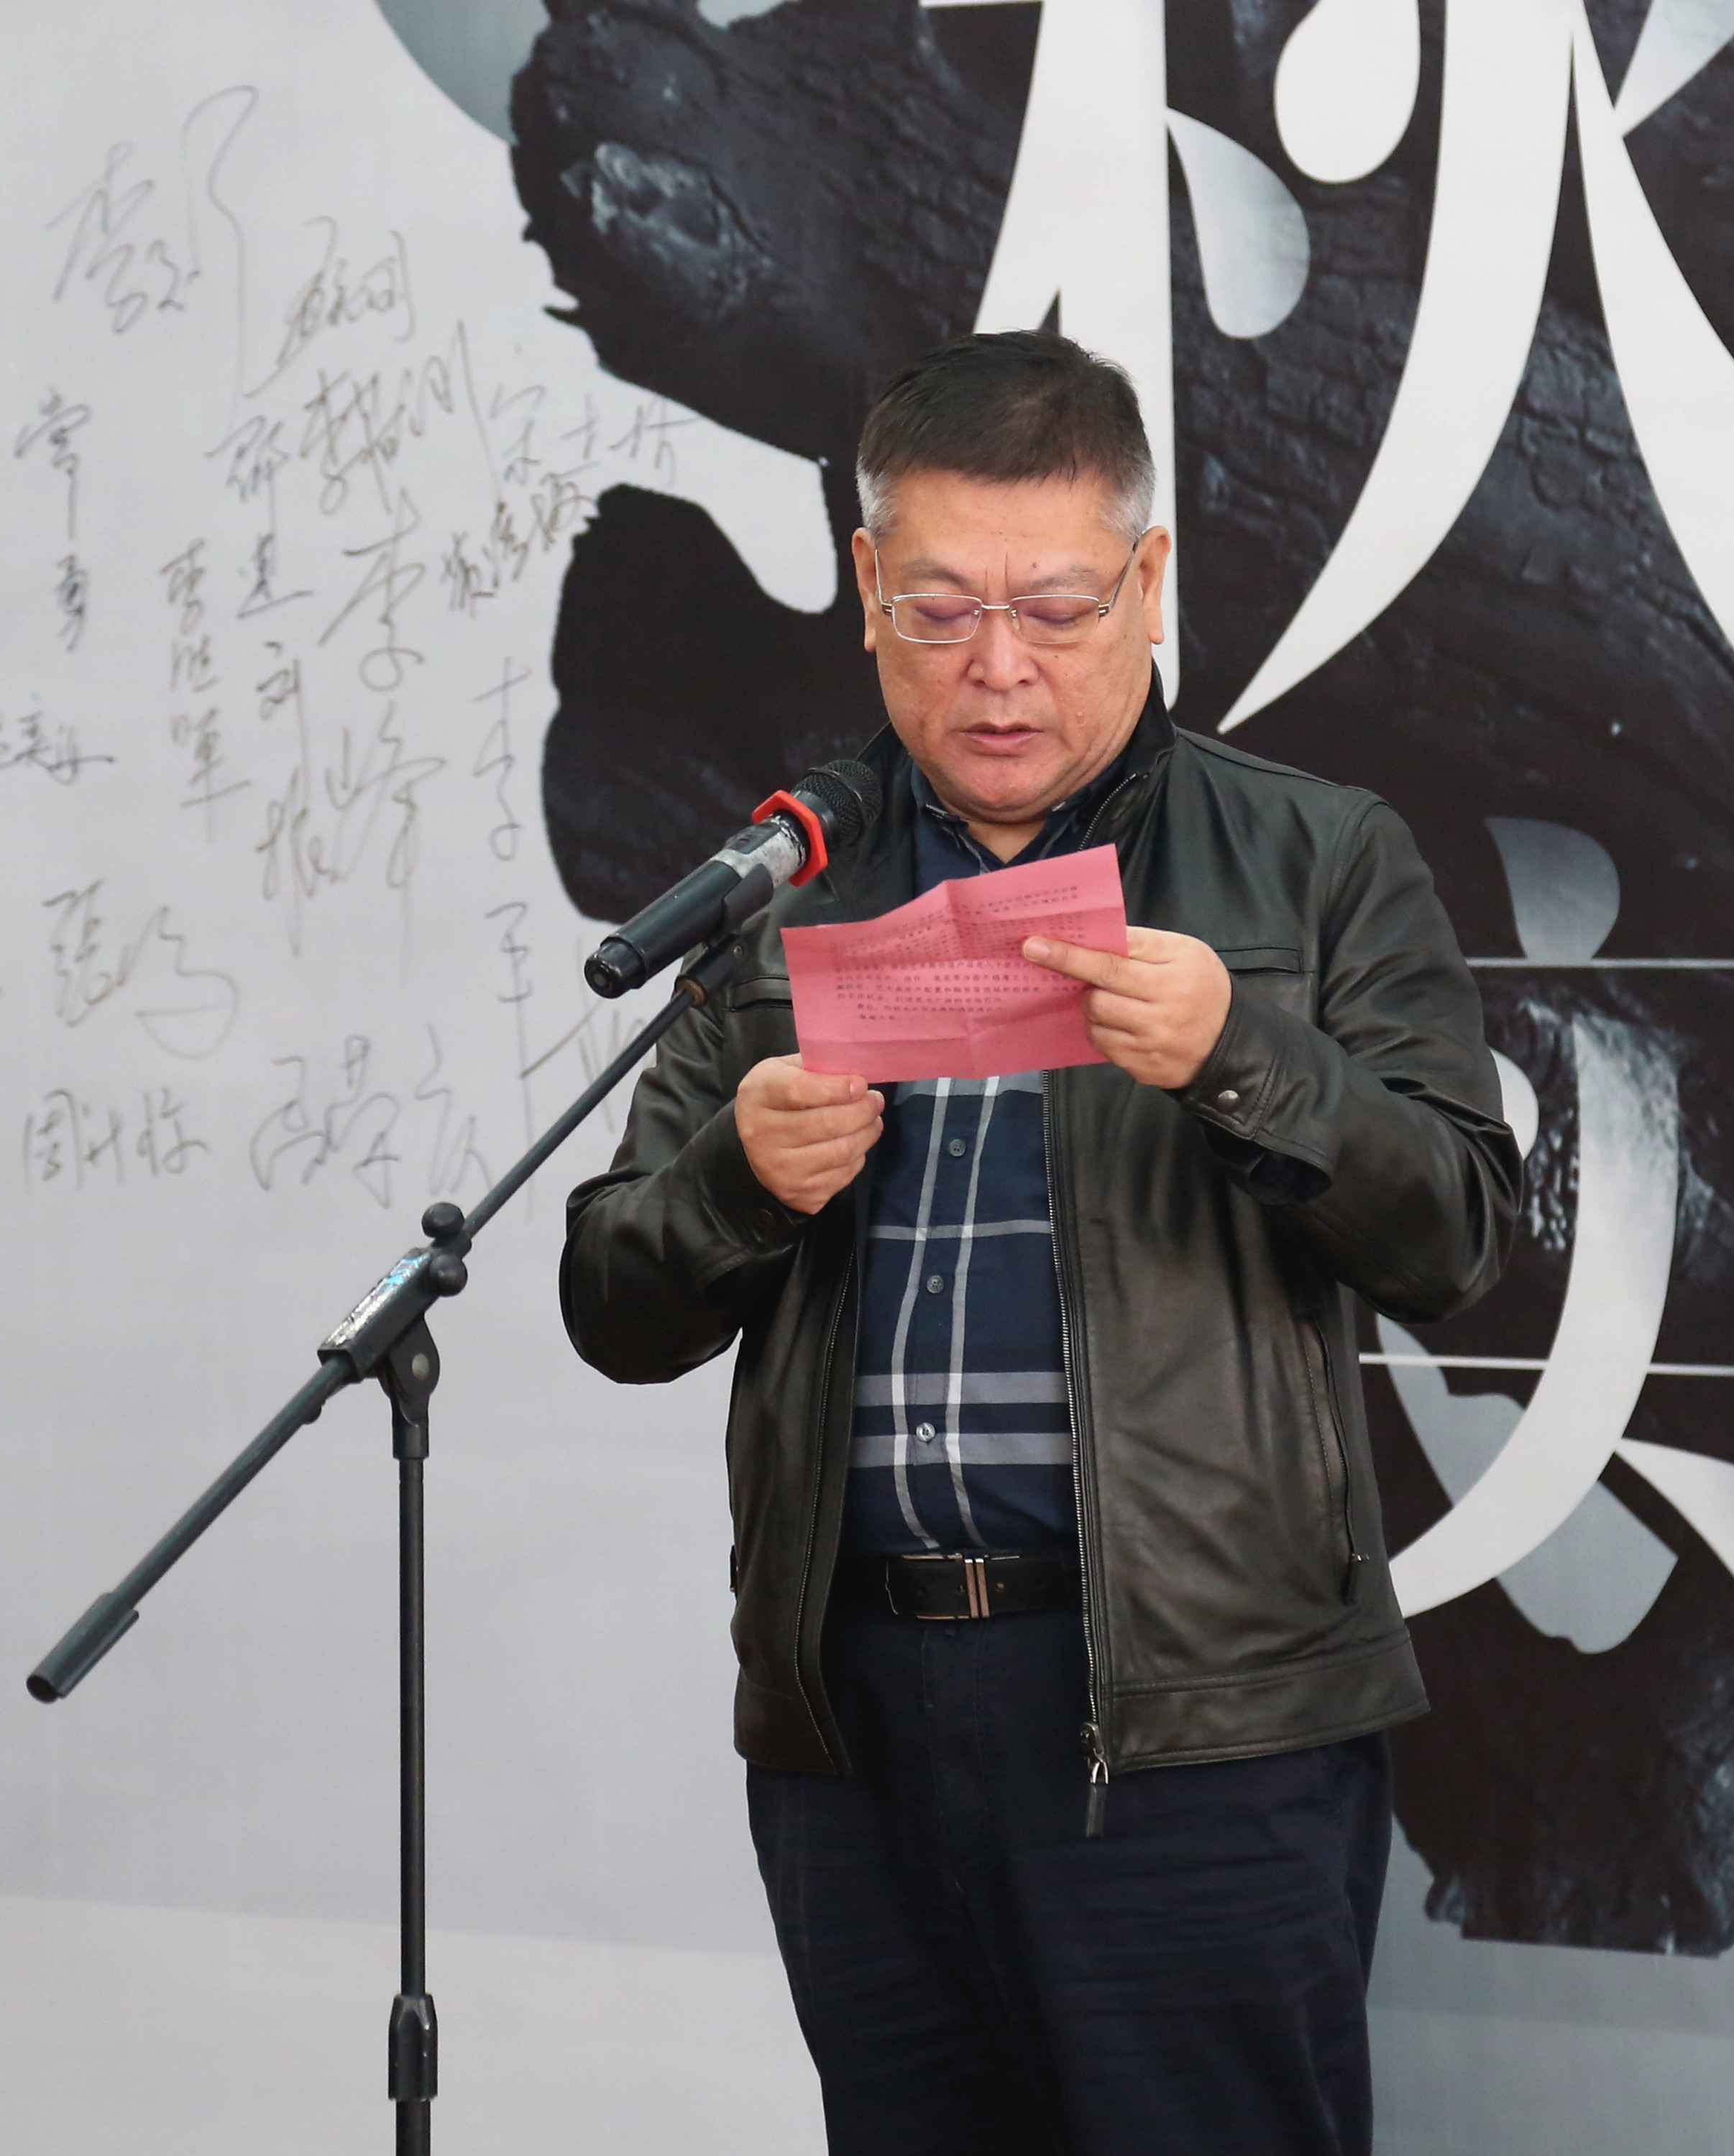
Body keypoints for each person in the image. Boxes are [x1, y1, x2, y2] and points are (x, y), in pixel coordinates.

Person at [560, 331, 1517, 2155]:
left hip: (1193, 1722)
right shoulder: (789, 884)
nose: (996, 667)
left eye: (1056, 609)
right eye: (938, 610)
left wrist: (1243, 1057)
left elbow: (1460, 1234)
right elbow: (614, 1300)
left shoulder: (1312, 859)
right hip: (856, 1717)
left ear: (1147, 585)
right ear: (865, 588)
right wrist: (738, 1181)